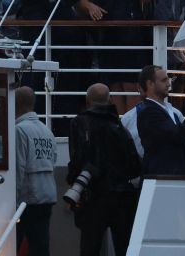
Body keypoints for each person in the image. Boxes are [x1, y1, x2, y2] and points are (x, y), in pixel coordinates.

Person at [66, 84, 141, 256]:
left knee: (90, 247)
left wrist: (74, 182)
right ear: (109, 100)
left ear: (88, 101)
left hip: (93, 195)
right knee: (124, 246)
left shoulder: (79, 123)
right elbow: (134, 165)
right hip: (121, 196)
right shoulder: (119, 127)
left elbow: (78, 158)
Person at [136, 65, 185, 176]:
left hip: (173, 177)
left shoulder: (171, 112)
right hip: (161, 178)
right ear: (150, 84)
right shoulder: (148, 112)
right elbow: (177, 135)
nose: (168, 84)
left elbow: (176, 147)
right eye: (164, 80)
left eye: (168, 79)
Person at [14, 85, 56, 256]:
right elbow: (52, 160)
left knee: (11, 245)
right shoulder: (47, 131)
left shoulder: (19, 130)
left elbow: (18, 167)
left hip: (27, 199)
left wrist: (13, 201)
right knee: (41, 247)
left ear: (15, 103)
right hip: (47, 196)